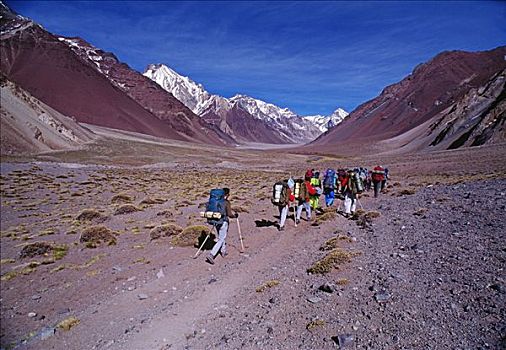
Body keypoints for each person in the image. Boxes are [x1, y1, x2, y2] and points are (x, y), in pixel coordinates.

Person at [206, 188, 238, 265]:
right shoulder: (226, 202)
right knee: (221, 239)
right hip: (223, 222)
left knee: (221, 237)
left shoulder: (214, 201)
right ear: (226, 194)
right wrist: (235, 216)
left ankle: (223, 251)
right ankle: (212, 254)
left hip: (215, 221)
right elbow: (230, 214)